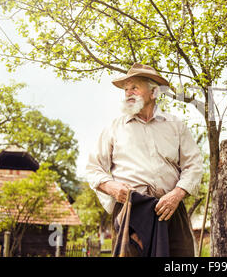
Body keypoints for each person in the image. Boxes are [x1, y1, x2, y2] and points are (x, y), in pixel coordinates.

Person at [79, 63, 203, 256]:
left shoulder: (175, 126)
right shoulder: (114, 127)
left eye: (135, 87)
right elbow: (93, 169)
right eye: (126, 89)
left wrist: (177, 194)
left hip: (170, 209)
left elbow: (194, 165)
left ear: (153, 92)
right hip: (132, 212)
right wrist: (111, 187)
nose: (128, 93)